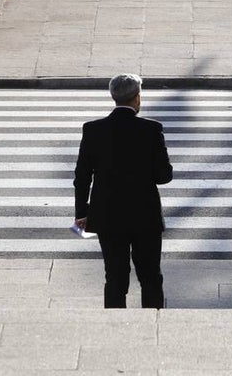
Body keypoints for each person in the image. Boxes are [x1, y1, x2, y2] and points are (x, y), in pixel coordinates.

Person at [73, 73, 173, 309]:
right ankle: (153, 321)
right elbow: (164, 176)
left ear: (113, 97)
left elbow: (82, 176)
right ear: (137, 98)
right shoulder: (152, 130)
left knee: (115, 277)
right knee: (150, 276)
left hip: (107, 215)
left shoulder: (93, 130)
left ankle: (115, 325)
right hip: (144, 215)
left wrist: (81, 212)